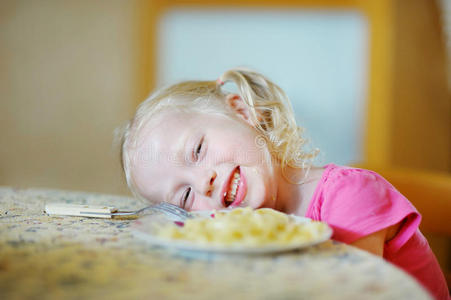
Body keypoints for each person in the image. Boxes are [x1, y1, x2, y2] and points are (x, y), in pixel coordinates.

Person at [117, 68, 449, 299]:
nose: (203, 184)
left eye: (198, 150)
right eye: (185, 195)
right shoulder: (249, 234)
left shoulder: (350, 195)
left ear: (242, 113)